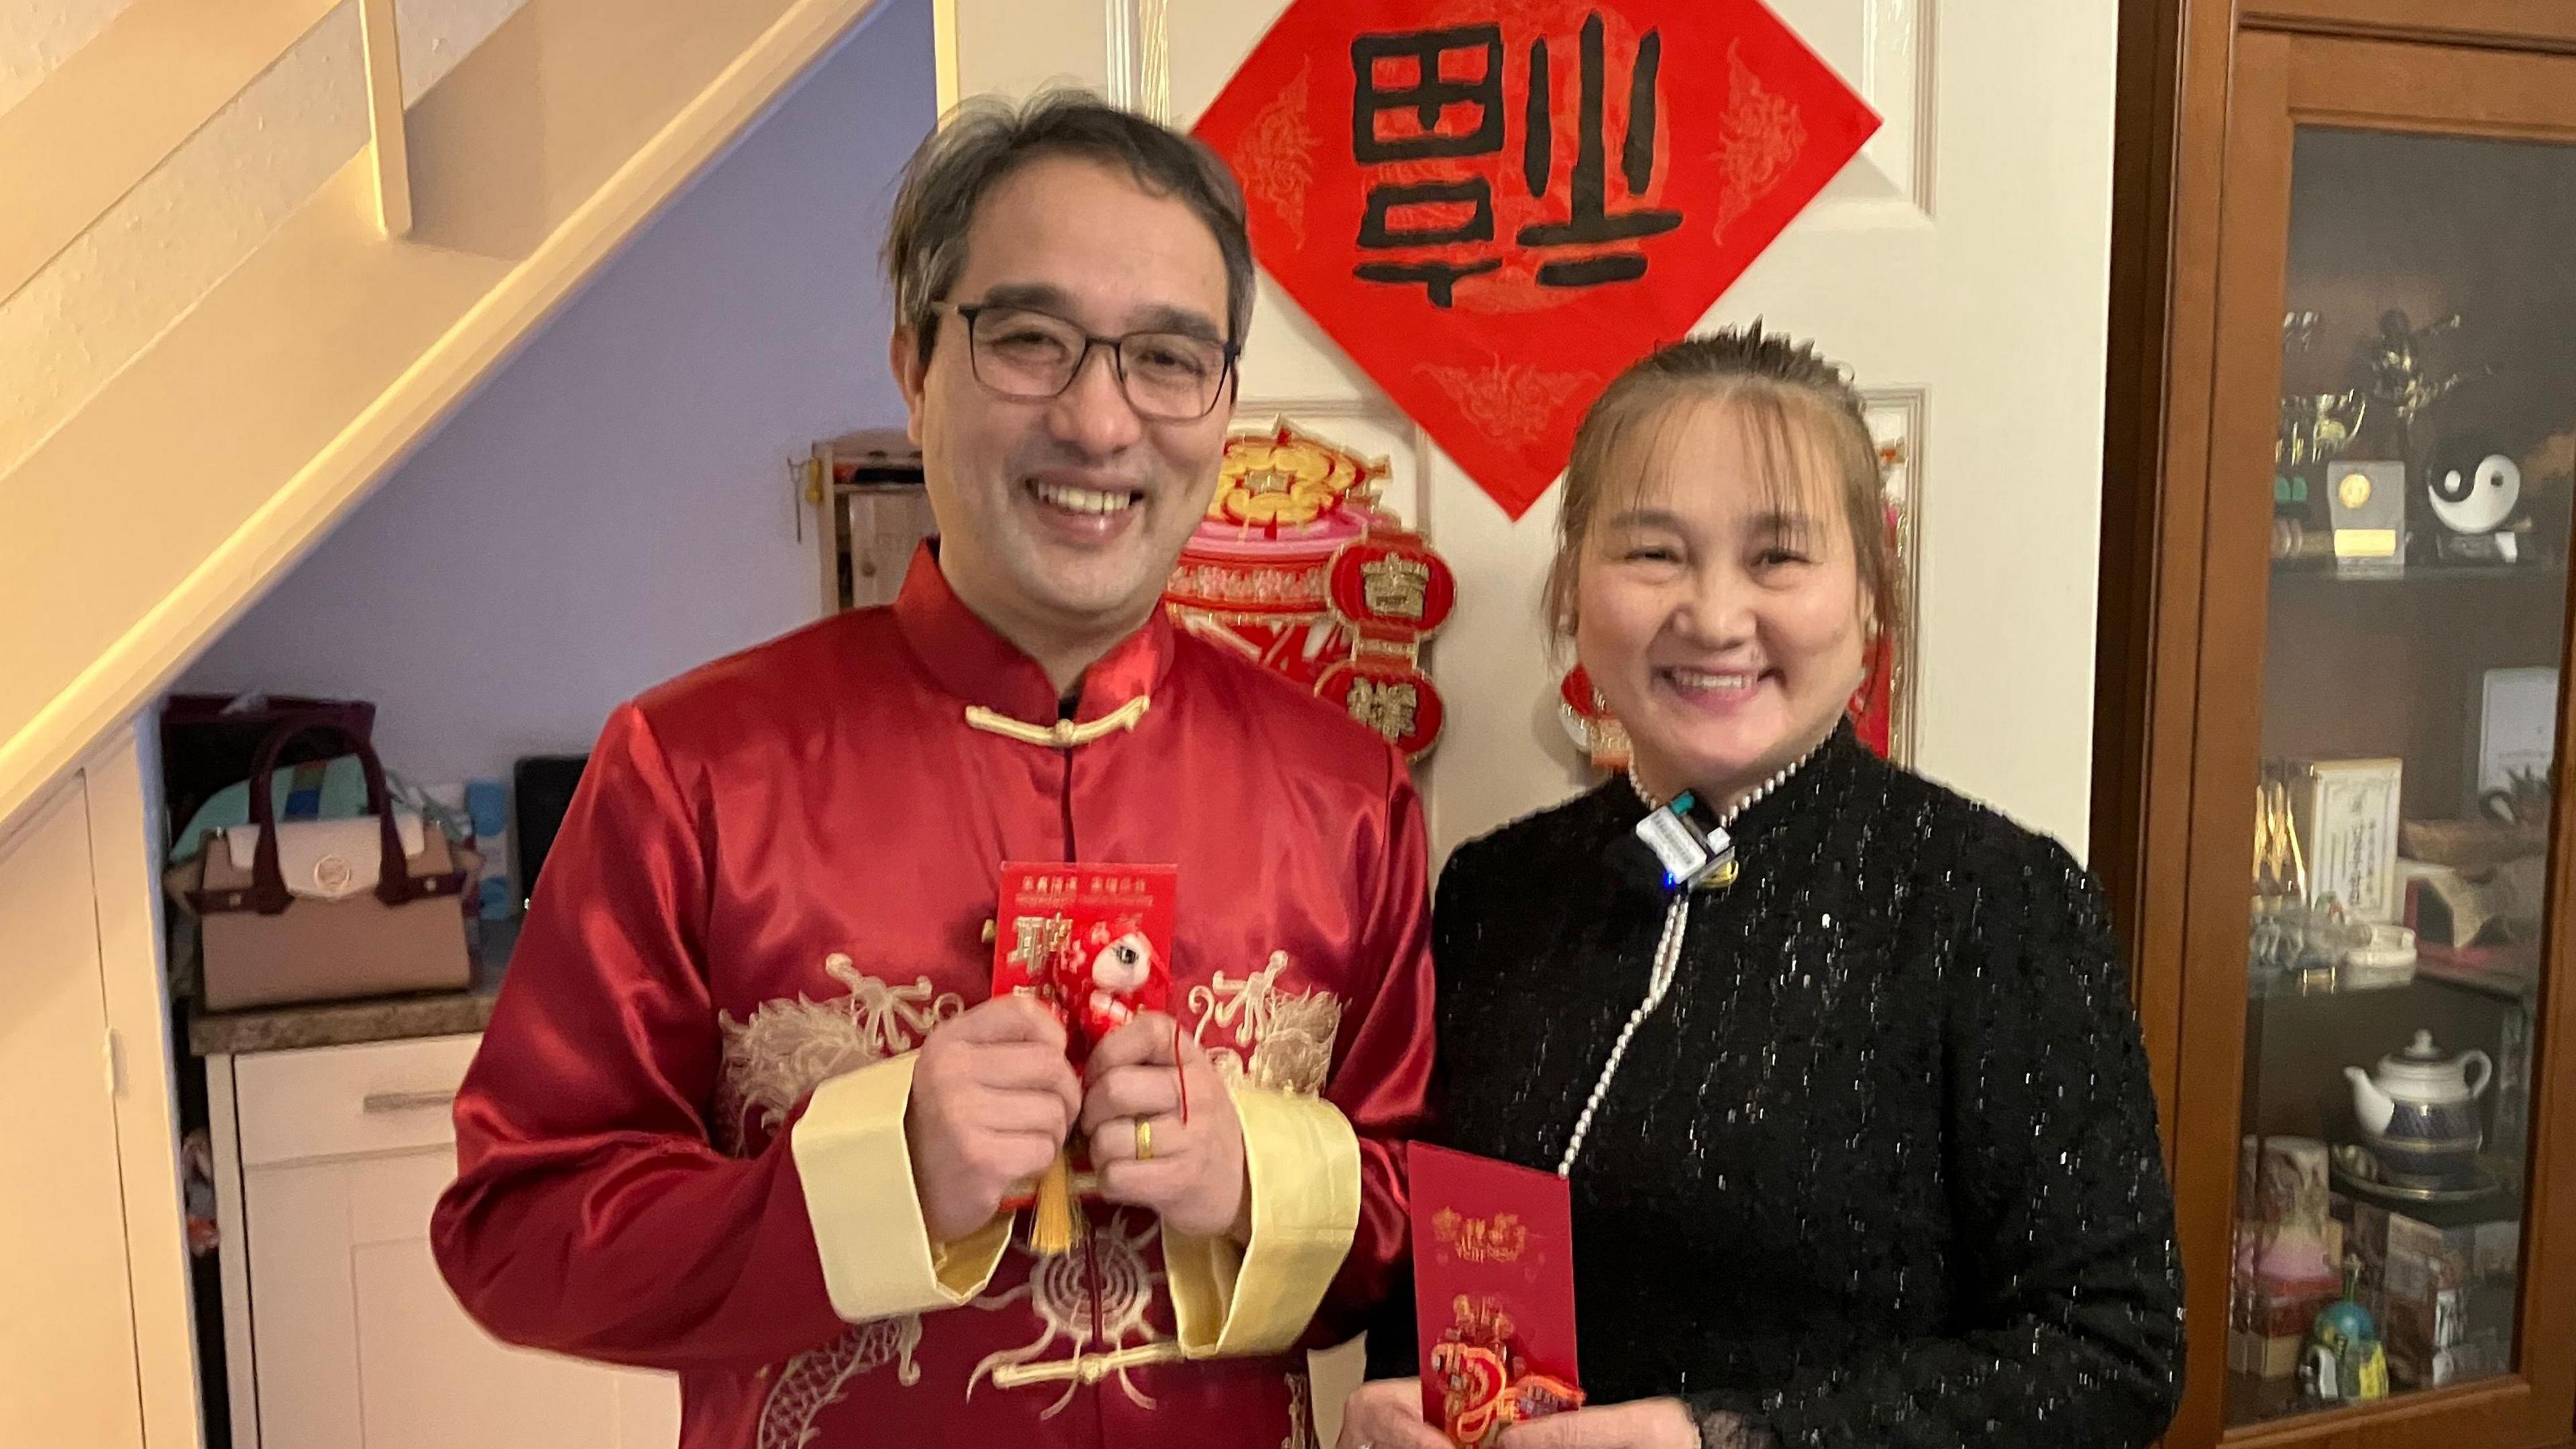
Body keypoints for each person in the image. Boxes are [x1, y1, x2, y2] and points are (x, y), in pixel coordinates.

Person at [431, 91, 1434, 1449]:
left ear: (1224, 405)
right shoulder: (696, 772)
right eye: (1028, 341)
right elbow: (516, 1227)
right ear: (913, 361)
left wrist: (1260, 1173)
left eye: (1165, 358)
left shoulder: (1345, 795)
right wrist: (873, 1178)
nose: (1098, 420)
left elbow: (1417, 1220)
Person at [1339, 329, 2182, 1449]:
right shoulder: (1497, 890)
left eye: (1778, 558)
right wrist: (1402, 1398)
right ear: (1574, 588)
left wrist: (1720, 1439)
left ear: (1872, 599)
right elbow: (1446, 1254)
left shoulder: (1995, 902)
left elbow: (2113, 1355)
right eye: (1652, 553)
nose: (1715, 615)